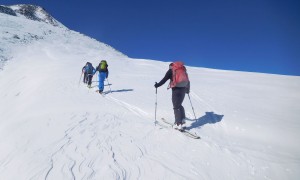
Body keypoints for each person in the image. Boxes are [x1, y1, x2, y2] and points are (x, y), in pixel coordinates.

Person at [154, 62, 190, 130]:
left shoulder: (171, 70)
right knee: (179, 104)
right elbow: (188, 80)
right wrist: (187, 90)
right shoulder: (183, 70)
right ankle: (183, 121)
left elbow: (164, 80)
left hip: (176, 89)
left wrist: (157, 85)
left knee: (176, 106)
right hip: (183, 88)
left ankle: (178, 123)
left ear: (171, 66)